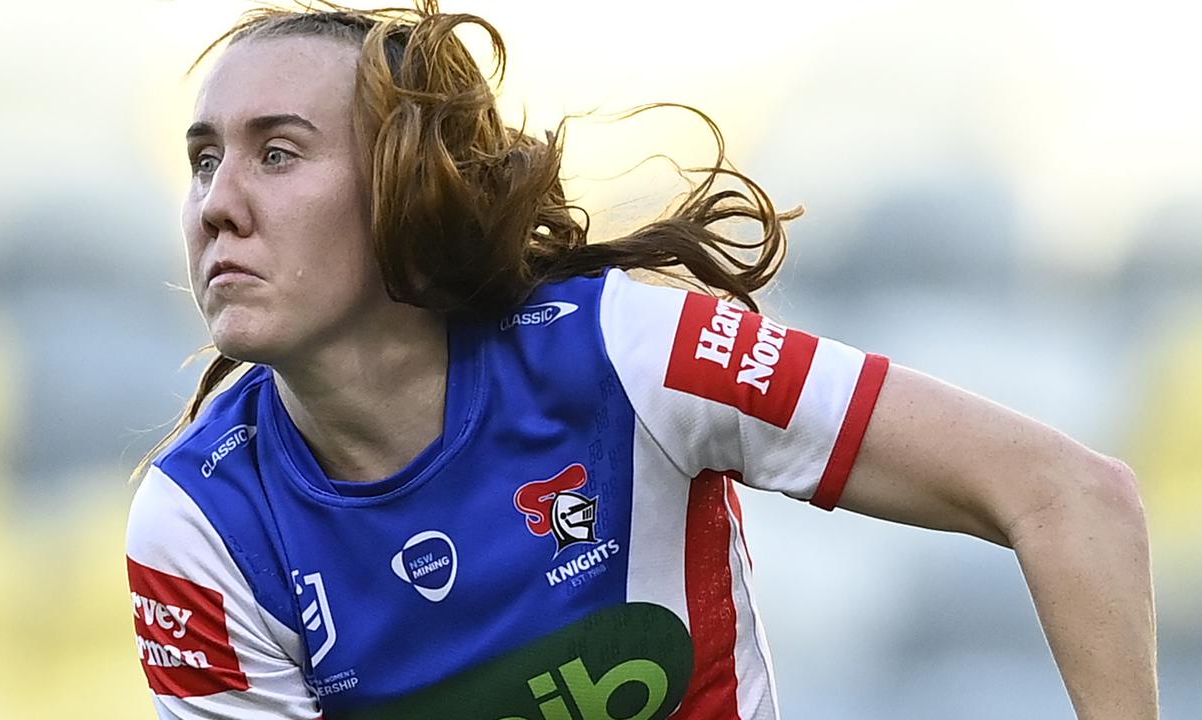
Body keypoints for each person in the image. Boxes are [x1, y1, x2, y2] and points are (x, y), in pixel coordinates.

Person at [124, 3, 1158, 718]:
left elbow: (1072, 497)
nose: (216, 201)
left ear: (404, 187)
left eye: (278, 151)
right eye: (203, 158)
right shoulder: (199, 524)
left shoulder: (624, 352)